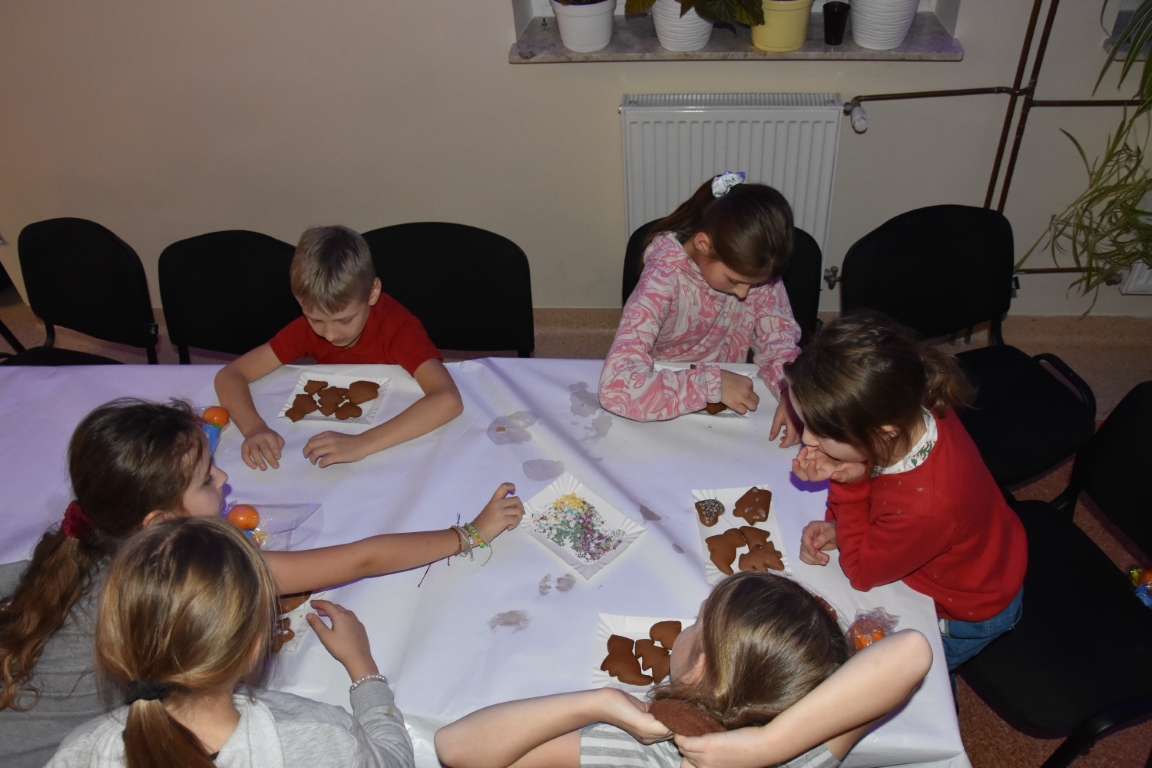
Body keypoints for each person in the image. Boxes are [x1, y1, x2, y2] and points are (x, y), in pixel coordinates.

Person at [0, 398, 522, 767]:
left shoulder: (73, 546)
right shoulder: (194, 576)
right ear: (159, 524)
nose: (224, 479)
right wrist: (470, 533)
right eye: (206, 479)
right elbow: (362, 560)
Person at [435, 572, 932, 768]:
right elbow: (911, 652)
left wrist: (598, 702)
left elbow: (455, 748)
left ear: (698, 669)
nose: (687, 625)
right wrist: (768, 746)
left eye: (697, 622)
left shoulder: (643, 752)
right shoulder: (804, 751)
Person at [47, 516, 413, 767]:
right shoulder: (320, 735)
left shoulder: (78, 753)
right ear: (256, 646)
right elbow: (394, 760)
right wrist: (363, 669)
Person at [789, 313, 1027, 672]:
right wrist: (850, 501)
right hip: (987, 549)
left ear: (881, 434)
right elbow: (892, 498)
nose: (807, 439)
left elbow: (861, 573)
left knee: (907, 678)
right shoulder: (912, 406)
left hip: (967, 607)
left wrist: (849, 484)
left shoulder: (926, 507)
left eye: (820, 432)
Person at [215, 225, 464, 470]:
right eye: (315, 320)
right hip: (341, 428)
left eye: (345, 320)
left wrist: (362, 444)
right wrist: (254, 428)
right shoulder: (305, 329)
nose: (330, 334)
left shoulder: (399, 329)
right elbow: (230, 375)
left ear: (372, 292)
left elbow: (447, 399)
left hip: (394, 445)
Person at [598, 173, 802, 446]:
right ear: (703, 245)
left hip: (722, 409)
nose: (745, 294)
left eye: (755, 284)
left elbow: (778, 345)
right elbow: (616, 387)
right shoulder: (663, 276)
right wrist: (710, 384)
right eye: (734, 281)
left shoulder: (755, 269)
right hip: (661, 401)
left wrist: (792, 391)